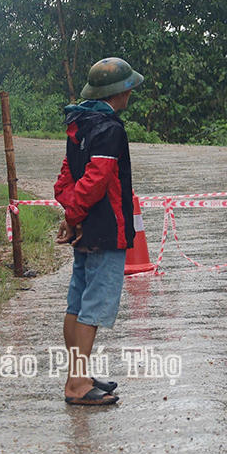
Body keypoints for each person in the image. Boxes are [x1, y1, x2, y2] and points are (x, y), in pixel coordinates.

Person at [53, 57, 144, 405]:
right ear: (119, 92)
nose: (130, 94)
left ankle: (79, 375)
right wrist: (75, 214)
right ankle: (77, 385)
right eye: (128, 89)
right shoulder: (110, 129)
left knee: (76, 303)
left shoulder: (79, 123)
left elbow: (66, 178)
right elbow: (95, 181)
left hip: (86, 228)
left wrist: (72, 215)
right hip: (106, 230)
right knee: (93, 306)